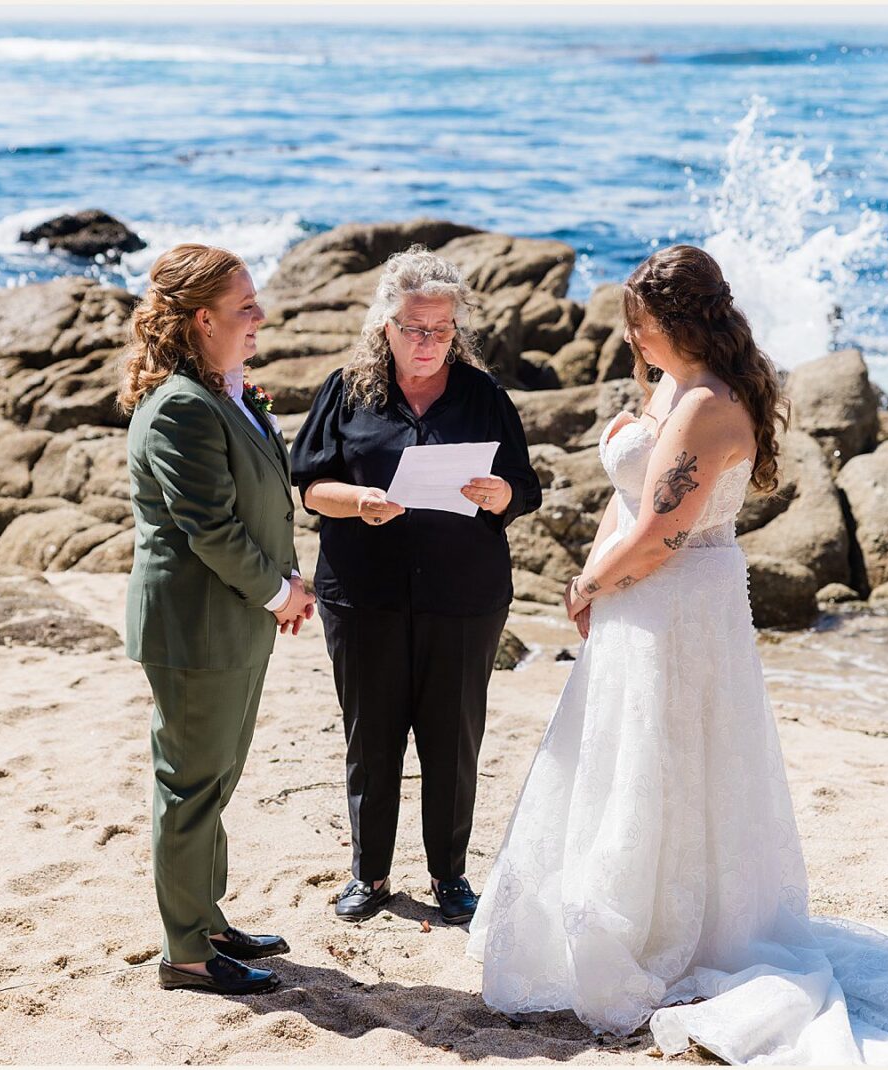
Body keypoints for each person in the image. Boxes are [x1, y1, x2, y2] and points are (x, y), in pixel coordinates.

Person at [466, 245, 888, 1064]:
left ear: (679, 324)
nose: (633, 341)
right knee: (630, 757)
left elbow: (661, 533)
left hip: (673, 602)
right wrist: (604, 571)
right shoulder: (673, 386)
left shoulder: (704, 406)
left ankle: (665, 938)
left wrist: (586, 583)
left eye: (643, 327)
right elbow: (637, 498)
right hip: (650, 598)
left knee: (666, 758)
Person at [289, 245, 541, 927]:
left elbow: (527, 489)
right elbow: (310, 484)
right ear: (385, 326)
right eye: (412, 327)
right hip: (363, 591)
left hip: (464, 596)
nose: (426, 342)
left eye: (439, 329)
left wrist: (497, 495)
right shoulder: (347, 389)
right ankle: (369, 876)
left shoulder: (484, 395)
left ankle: (449, 876)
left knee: (451, 739)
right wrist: (359, 501)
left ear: (456, 330)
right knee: (371, 738)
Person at [120, 243, 315, 996]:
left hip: (237, 618)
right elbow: (210, 529)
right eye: (245, 307)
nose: (259, 317)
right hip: (197, 626)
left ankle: (207, 918)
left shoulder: (222, 391)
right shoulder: (178, 408)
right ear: (204, 319)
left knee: (219, 776)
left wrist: (285, 578)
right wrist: (280, 593)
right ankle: (187, 954)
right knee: (190, 784)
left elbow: (260, 498)